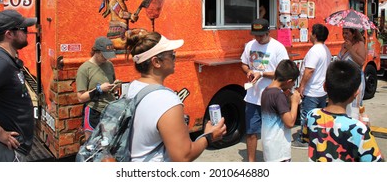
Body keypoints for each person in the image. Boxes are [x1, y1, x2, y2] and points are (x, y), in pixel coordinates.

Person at [123, 29, 226, 162]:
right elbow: (183, 156)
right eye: (171, 55)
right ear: (156, 62)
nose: (175, 58)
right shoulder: (166, 100)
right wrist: (209, 137)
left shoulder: (133, 87)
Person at [300, 60, 384, 162]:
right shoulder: (359, 129)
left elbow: (305, 137)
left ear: (325, 87)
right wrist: (367, 129)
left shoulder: (312, 116)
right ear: (356, 93)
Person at [241, 18, 289, 161]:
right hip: (252, 97)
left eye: (261, 35)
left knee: (272, 134)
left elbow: (284, 72)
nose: (258, 38)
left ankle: (273, 160)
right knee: (251, 132)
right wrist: (248, 71)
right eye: (256, 35)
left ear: (269, 32)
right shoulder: (250, 45)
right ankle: (251, 162)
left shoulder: (278, 48)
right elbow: (243, 64)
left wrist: (261, 73)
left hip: (272, 97)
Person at [0, 10, 37, 161]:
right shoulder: (1, 62)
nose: (27, 33)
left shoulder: (6, 59)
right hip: (9, 152)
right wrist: (1, 134)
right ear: (9, 34)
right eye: (23, 29)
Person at [291, 23, 331, 149]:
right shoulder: (326, 49)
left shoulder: (314, 51)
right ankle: (318, 137)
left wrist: (301, 86)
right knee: (319, 117)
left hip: (312, 91)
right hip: (321, 91)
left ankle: (304, 140)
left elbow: (309, 70)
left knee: (307, 116)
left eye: (311, 32)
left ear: (315, 35)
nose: (309, 34)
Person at [76, 36, 121, 140]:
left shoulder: (109, 65)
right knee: (92, 143)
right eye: (103, 55)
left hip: (109, 109)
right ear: (96, 51)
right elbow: (80, 97)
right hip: (94, 111)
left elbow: (111, 88)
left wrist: (115, 85)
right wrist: (99, 89)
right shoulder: (84, 69)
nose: (106, 58)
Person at [261, 59, 301, 162]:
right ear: (288, 81)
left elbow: (276, 110)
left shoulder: (266, 90)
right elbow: (290, 123)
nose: (293, 85)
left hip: (269, 145)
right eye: (293, 82)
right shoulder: (278, 95)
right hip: (279, 150)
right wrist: (295, 102)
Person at [337, 28, 366, 117]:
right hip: (343, 79)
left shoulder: (359, 44)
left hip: (355, 78)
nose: (344, 35)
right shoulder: (343, 45)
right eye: (343, 33)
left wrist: (350, 49)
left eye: (347, 33)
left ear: (353, 34)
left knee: (354, 107)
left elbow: (361, 62)